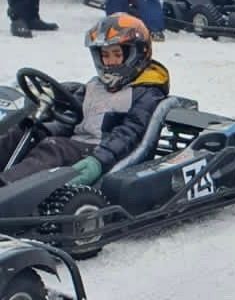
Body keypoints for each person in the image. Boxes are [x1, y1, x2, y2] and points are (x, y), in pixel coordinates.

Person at [0, 13, 170, 187]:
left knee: (54, 147)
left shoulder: (147, 92)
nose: (110, 61)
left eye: (117, 54)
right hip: (76, 144)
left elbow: (129, 134)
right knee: (21, 133)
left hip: (101, 151)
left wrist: (98, 160)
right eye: (105, 55)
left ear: (136, 55)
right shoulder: (95, 85)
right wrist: (42, 128)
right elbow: (70, 117)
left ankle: (6, 189)